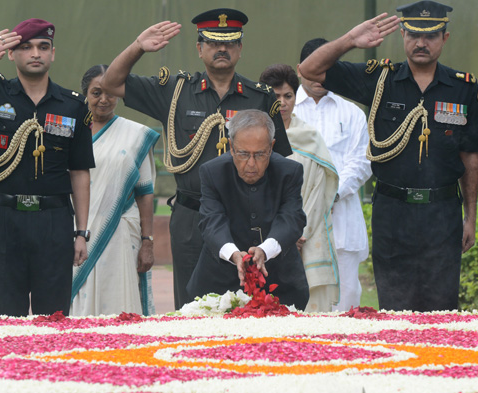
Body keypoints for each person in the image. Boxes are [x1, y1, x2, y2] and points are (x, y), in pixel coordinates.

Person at [299, 1, 478, 312]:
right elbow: (309, 69)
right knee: (394, 311)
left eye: (430, 36)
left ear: (445, 37)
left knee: (441, 313)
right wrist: (350, 40)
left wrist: (470, 217)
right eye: (413, 35)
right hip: (393, 213)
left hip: (442, 214)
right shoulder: (380, 79)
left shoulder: (462, 88)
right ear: (402, 34)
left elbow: (470, 157)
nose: (421, 43)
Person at [101, 9, 292, 309]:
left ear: (240, 49)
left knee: (246, 304)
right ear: (199, 48)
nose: (222, 49)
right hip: (193, 217)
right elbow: (111, 83)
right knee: (191, 307)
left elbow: (281, 166)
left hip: (244, 217)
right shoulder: (175, 91)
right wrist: (138, 46)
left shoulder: (260, 98)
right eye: (213, 42)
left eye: (229, 43)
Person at [0, 19, 95, 316]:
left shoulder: (73, 105)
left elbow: (80, 171)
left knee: (54, 318)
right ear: (11, 54)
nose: (35, 53)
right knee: (5, 318)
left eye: (43, 47)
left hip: (54, 221)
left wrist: (81, 233)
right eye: (26, 47)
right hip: (4, 220)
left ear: (53, 54)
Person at [186, 110, 309, 310]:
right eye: (243, 154)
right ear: (231, 147)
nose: (251, 164)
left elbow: (292, 218)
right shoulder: (211, 172)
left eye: (260, 154)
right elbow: (211, 221)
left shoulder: (290, 172)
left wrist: (265, 250)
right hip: (218, 284)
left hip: (281, 285)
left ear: (271, 147)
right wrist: (235, 255)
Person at [70, 65, 159, 316]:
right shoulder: (71, 131)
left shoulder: (136, 135)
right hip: (77, 233)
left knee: (120, 304)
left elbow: (145, 192)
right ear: (85, 94)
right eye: (96, 92)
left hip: (120, 233)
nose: (104, 99)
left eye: (111, 92)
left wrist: (147, 242)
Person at [294, 38, 372, 312]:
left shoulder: (352, 113)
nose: (320, 77)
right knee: (296, 310)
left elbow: (362, 163)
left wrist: (331, 193)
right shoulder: (285, 110)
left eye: (329, 68)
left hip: (342, 223)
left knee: (345, 307)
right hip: (295, 222)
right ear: (300, 69)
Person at [259, 64, 340, 312]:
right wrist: (277, 236)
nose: (282, 103)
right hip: (261, 237)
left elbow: (318, 192)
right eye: (275, 97)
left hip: (305, 235)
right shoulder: (251, 136)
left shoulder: (309, 137)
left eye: (288, 96)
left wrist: (296, 232)